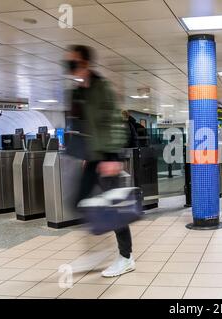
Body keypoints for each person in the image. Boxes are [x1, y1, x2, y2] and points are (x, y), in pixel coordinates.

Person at [65, 45, 136, 277]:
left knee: (113, 207)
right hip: (92, 157)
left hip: (107, 157)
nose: (70, 68)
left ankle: (126, 257)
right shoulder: (78, 92)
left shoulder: (102, 88)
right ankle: (97, 251)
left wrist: (113, 157)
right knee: (79, 202)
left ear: (86, 64)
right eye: (68, 64)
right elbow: (82, 128)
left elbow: (114, 122)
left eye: (74, 64)